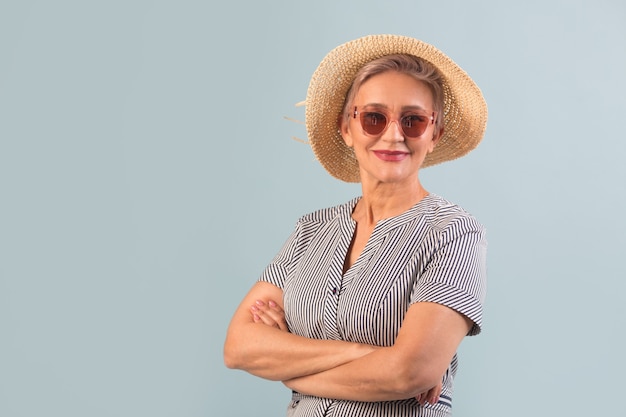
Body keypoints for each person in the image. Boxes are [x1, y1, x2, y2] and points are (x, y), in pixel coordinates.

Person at [224, 34, 488, 416]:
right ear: (347, 128)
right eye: (374, 118)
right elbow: (238, 346)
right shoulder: (310, 230)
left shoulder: (453, 233)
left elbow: (410, 373)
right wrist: (369, 355)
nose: (393, 134)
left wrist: (289, 368)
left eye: (413, 121)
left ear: (435, 134)